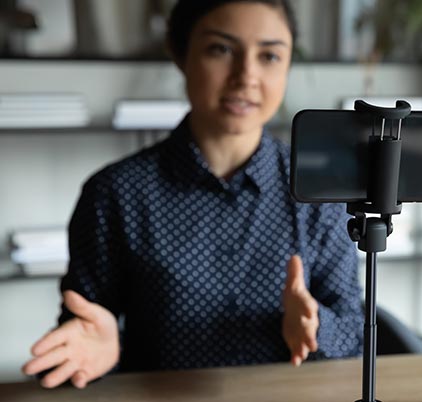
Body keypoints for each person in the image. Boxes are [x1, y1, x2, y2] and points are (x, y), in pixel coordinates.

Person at [21, 0, 364, 389]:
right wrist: (103, 358)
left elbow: (355, 335)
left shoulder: (318, 194)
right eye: (220, 49)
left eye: (269, 55)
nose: (246, 76)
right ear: (180, 54)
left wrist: (316, 327)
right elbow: (78, 343)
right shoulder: (115, 194)